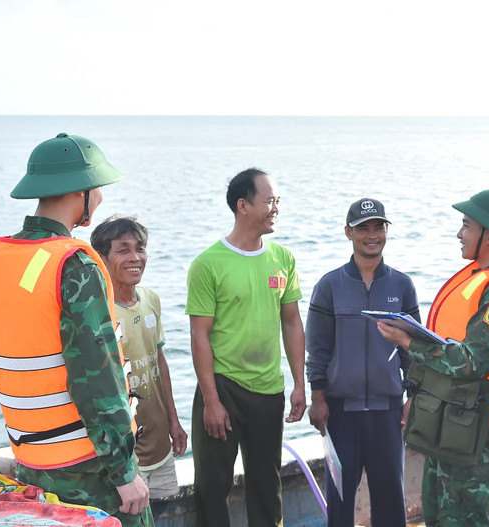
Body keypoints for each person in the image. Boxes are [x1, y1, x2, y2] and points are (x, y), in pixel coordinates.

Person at [0, 133, 153, 526]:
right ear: (81, 192)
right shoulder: (75, 265)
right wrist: (124, 472)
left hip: (31, 463)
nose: (102, 197)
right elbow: (97, 377)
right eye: (99, 188)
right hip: (90, 468)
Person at [377, 190, 489, 527]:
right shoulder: (480, 277)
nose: (459, 234)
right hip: (452, 418)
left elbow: (469, 361)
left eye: (466, 226)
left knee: (462, 519)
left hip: (475, 428)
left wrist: (407, 341)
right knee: (437, 517)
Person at [186, 168, 307, 527]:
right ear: (243, 205)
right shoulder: (208, 264)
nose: (275, 208)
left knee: (267, 487)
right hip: (222, 387)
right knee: (212, 487)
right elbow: (199, 336)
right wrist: (211, 401)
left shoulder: (283, 258)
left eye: (278, 201)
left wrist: (299, 383)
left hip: (269, 390)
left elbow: (291, 322)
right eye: (269, 201)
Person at [305, 198, 420, 527]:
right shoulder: (330, 286)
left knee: (391, 502)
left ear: (386, 232)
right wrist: (318, 398)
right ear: (348, 232)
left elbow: (414, 351)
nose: (372, 235)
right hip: (341, 413)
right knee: (340, 503)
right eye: (363, 228)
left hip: (387, 412)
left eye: (379, 227)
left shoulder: (402, 285)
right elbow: (318, 349)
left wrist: (413, 396)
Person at [91, 214, 188, 500]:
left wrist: (174, 420)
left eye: (140, 248)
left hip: (160, 442)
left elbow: (158, 361)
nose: (135, 257)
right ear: (101, 258)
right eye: (123, 250)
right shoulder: (98, 312)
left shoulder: (150, 299)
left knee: (160, 510)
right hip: (123, 455)